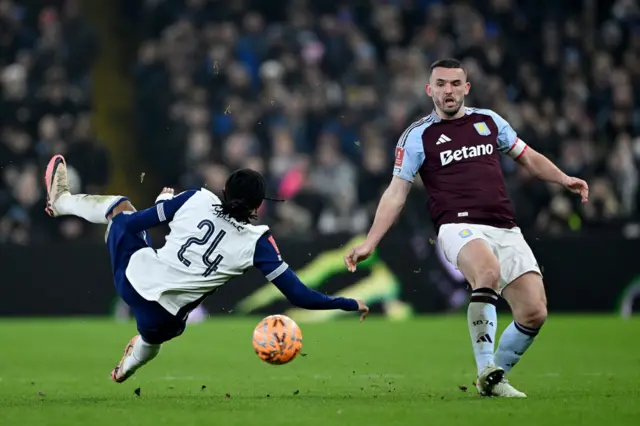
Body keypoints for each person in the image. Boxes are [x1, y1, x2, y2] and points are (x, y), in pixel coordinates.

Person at [344, 58, 589, 398]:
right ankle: (485, 365)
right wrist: (370, 242)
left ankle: (492, 381)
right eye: (441, 84)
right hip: (457, 226)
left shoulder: (489, 122)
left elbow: (528, 156)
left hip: (504, 227)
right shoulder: (418, 136)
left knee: (534, 312)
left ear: (466, 88)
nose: (448, 90)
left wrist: (563, 179)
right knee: (486, 270)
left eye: (455, 84)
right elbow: (396, 192)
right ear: (430, 90)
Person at [44, 154, 369, 383]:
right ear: (259, 206)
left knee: (120, 210)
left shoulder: (197, 198)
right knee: (153, 335)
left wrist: (161, 207)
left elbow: (134, 224)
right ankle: (128, 365)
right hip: (164, 320)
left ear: (224, 191)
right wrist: (348, 303)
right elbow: (300, 295)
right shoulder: (258, 241)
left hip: (133, 282)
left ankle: (62, 203)